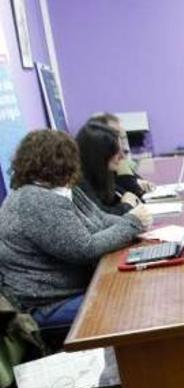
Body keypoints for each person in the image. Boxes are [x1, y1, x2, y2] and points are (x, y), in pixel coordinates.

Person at [0, 130, 152, 335]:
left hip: (72, 291)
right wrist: (132, 224)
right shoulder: (35, 201)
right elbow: (84, 248)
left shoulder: (58, 189)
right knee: (129, 305)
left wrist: (135, 224)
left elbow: (100, 219)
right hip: (48, 305)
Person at [77, 121, 142, 215]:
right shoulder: (80, 183)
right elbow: (100, 217)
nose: (122, 157)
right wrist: (126, 206)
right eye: (116, 151)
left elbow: (130, 194)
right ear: (100, 154)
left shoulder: (104, 173)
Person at [89, 112, 156, 195]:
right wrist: (122, 163)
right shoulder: (96, 175)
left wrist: (140, 181)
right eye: (116, 137)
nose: (123, 147)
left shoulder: (115, 164)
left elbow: (137, 184)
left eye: (123, 138)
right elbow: (132, 191)